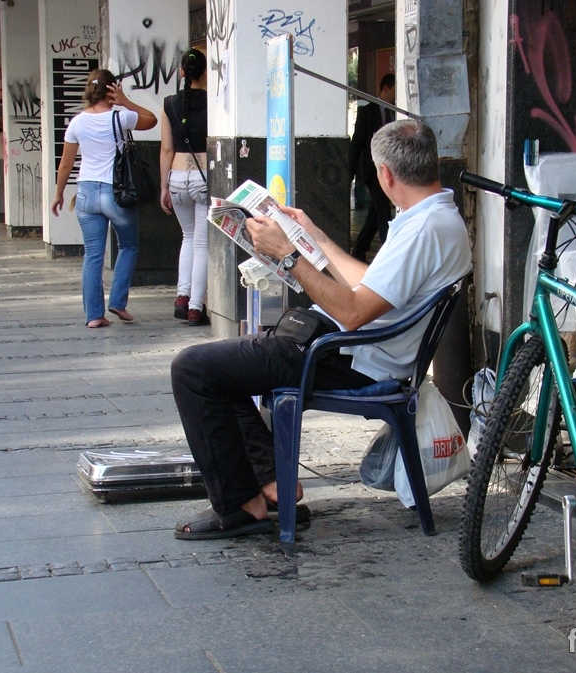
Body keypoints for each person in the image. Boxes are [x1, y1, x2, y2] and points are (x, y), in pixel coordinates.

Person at [170, 119, 472, 540]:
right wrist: (314, 237)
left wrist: (290, 255)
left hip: (348, 355)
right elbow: (369, 283)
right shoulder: (435, 217)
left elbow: (353, 312)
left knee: (192, 369)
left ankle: (241, 506)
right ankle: (271, 485)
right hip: (347, 347)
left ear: (384, 174)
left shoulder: (425, 229)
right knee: (222, 367)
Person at [51, 70, 157, 327]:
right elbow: (151, 120)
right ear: (113, 89)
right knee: (128, 245)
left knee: (93, 254)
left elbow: (66, 164)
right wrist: (125, 101)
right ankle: (118, 302)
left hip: (86, 192)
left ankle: (94, 316)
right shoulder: (121, 117)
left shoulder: (77, 122)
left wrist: (58, 194)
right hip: (115, 193)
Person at [160, 48, 210, 326]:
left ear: (181, 73)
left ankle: (182, 295)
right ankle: (195, 307)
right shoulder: (213, 103)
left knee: (187, 238)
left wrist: (163, 186)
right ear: (205, 73)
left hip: (177, 177)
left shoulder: (169, 103)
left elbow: (167, 149)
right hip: (203, 177)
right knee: (201, 242)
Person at [348, 73, 396, 262]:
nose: (396, 95)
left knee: (376, 213)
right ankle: (388, 256)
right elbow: (357, 144)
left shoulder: (397, 113)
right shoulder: (367, 112)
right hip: (374, 171)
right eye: (394, 90)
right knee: (383, 211)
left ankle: (359, 251)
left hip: (393, 170)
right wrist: (349, 175)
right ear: (385, 89)